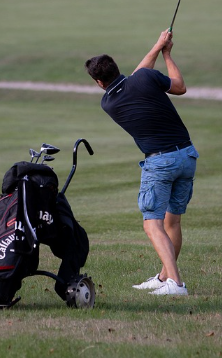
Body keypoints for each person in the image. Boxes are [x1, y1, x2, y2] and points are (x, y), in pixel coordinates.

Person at [85, 30, 198, 296]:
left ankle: (176, 284)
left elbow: (135, 78)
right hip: (187, 156)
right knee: (172, 223)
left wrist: (159, 48)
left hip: (160, 162)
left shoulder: (109, 102)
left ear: (99, 82)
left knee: (152, 224)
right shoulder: (145, 78)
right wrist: (166, 53)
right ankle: (164, 277)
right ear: (117, 68)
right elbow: (178, 85)